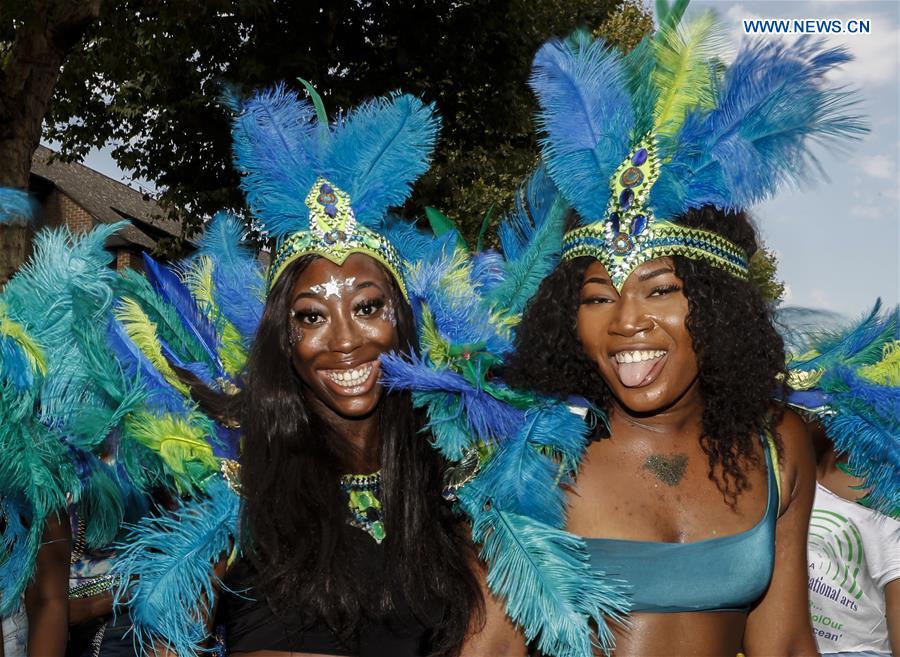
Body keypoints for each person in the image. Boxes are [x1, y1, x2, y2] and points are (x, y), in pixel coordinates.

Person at [495, 10, 866, 655]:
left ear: (718, 309)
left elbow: (782, 644)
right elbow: (490, 647)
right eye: (598, 297)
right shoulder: (541, 452)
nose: (626, 320)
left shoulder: (778, 447)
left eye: (660, 290)